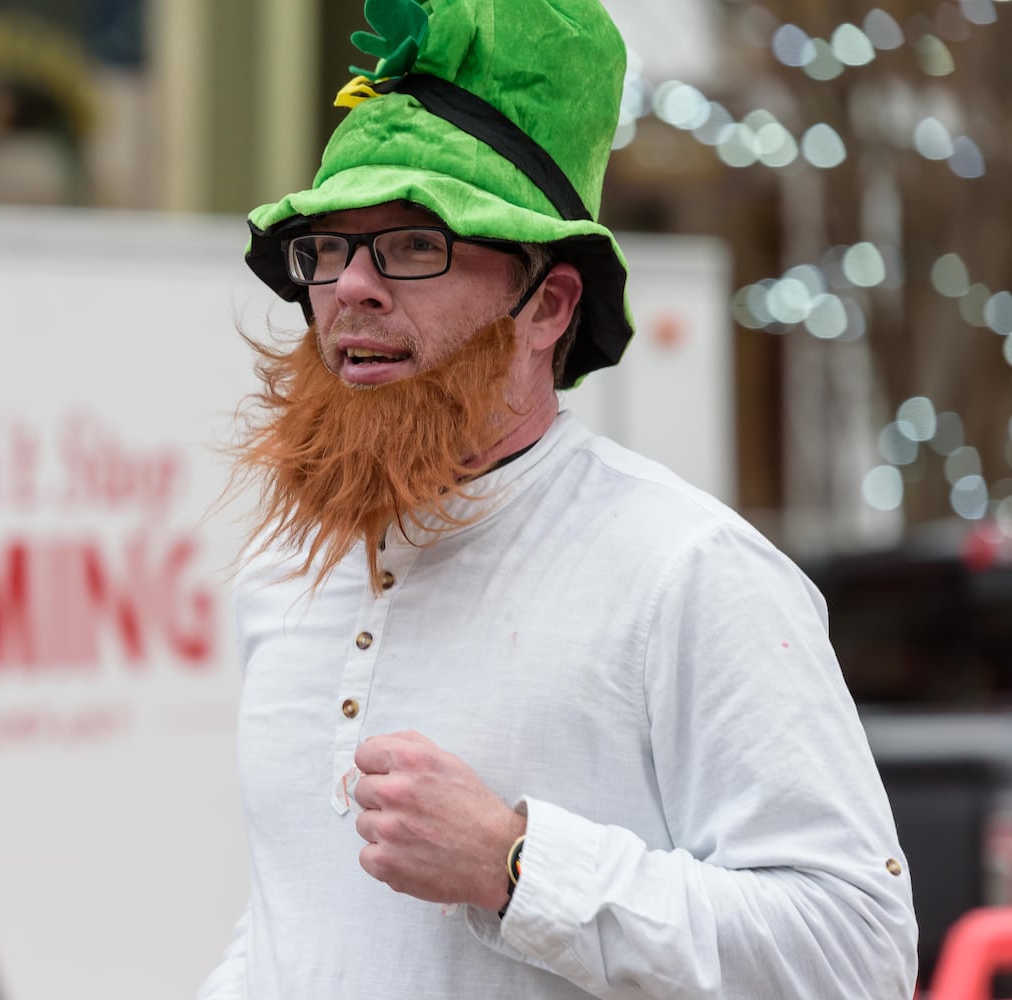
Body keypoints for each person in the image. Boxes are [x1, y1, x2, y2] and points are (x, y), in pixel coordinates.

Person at [201, 0, 919, 997]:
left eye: (413, 244)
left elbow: (855, 950)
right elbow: (300, 922)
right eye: (326, 247)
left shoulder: (686, 568)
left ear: (546, 305)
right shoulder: (286, 570)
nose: (352, 286)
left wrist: (514, 865)